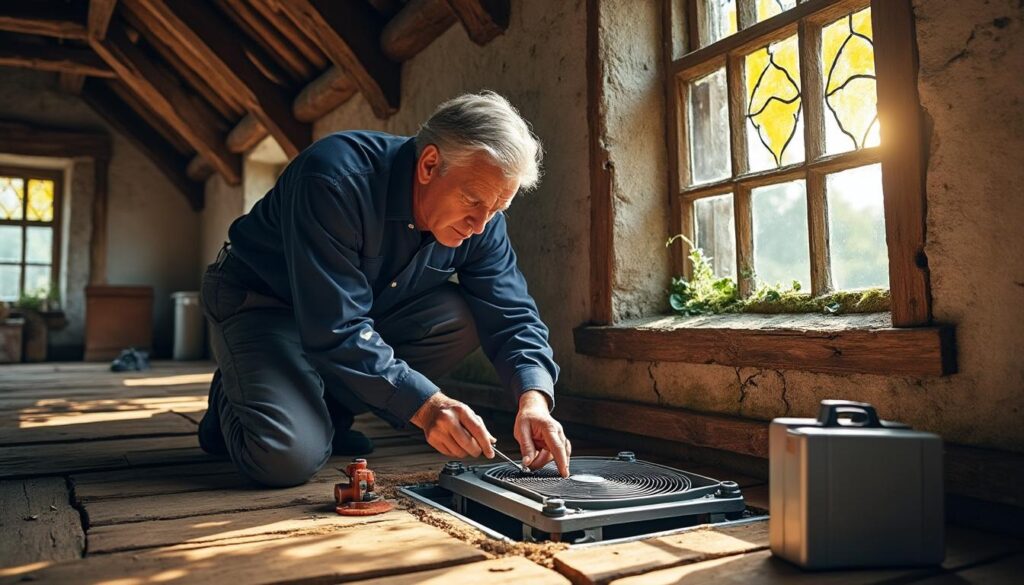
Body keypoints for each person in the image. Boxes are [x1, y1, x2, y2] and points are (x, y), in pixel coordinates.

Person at [198, 91, 571, 487]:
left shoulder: (483, 219)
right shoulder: (333, 179)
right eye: (472, 202)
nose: (480, 225)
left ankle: (318, 410)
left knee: (459, 316)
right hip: (261, 307)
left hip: (350, 321)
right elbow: (336, 326)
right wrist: (428, 408)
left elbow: (511, 313)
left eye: (497, 209)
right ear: (429, 164)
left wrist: (534, 400)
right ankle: (236, 395)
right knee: (285, 458)